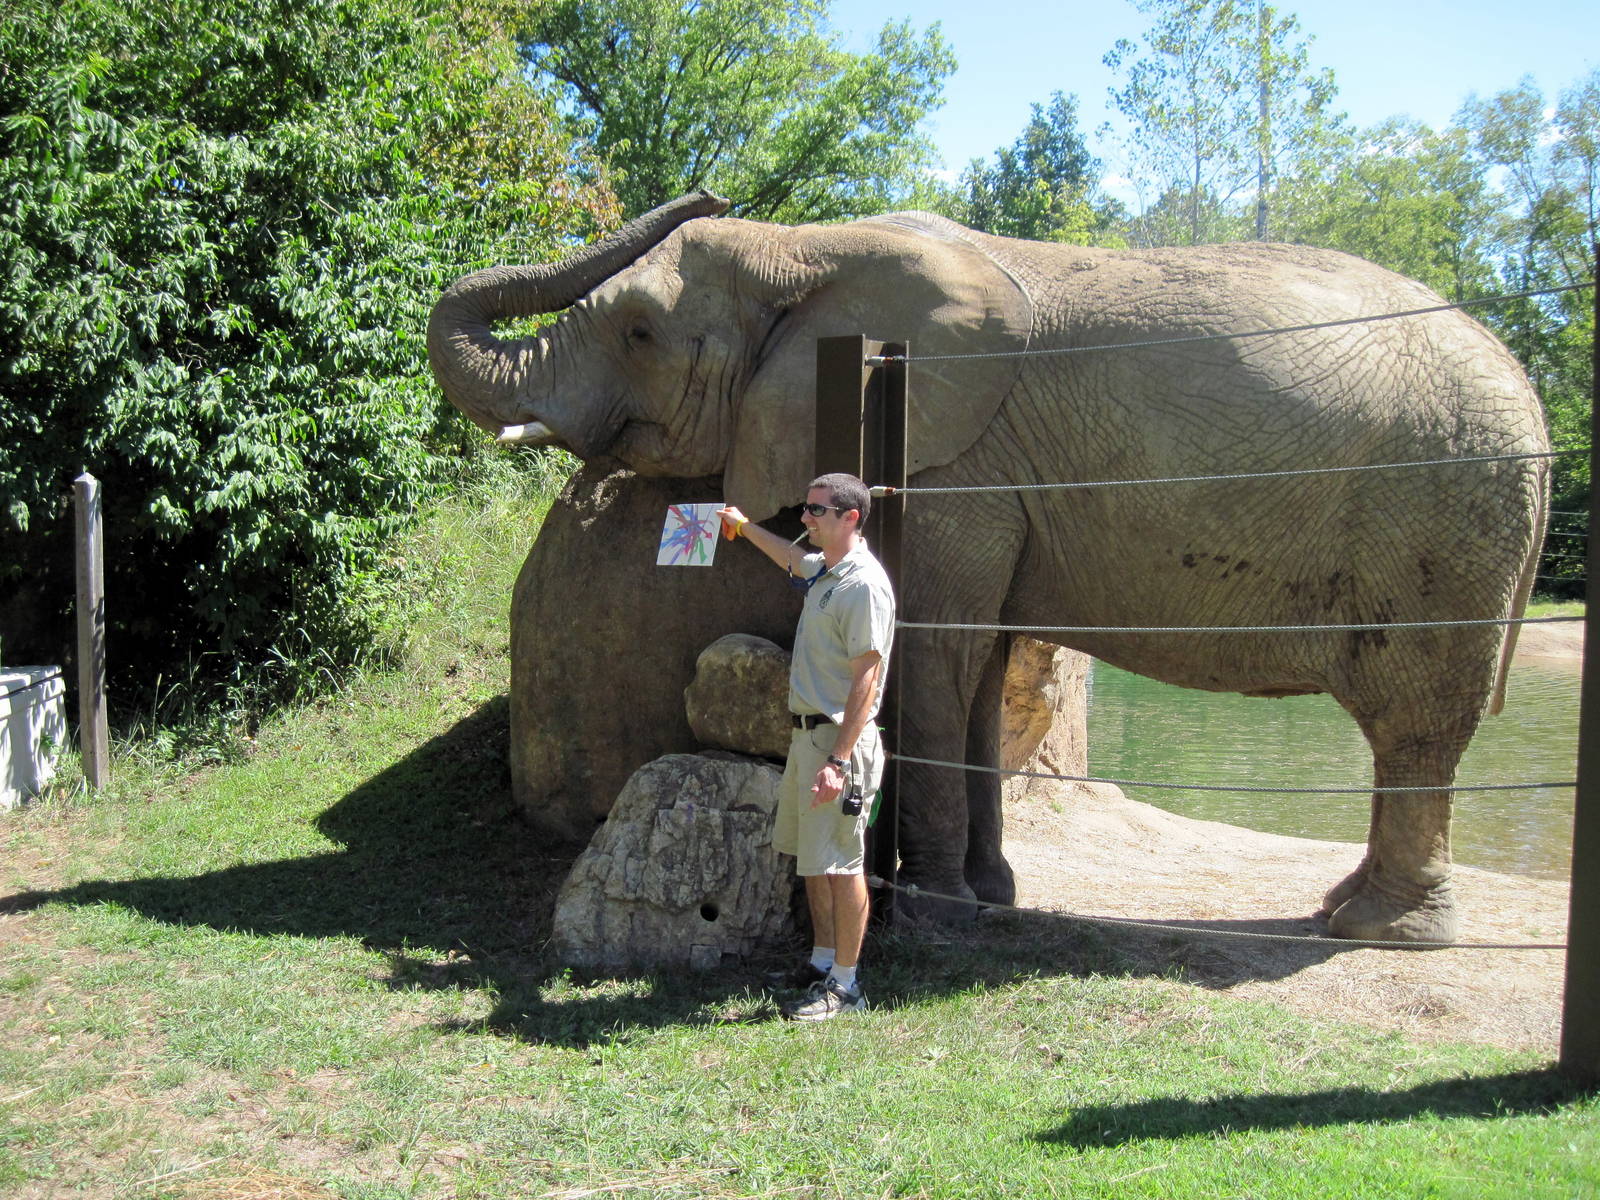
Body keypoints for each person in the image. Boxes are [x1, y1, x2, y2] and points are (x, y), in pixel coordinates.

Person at [717, 473, 895, 1021]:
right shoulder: (829, 573)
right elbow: (793, 562)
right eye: (806, 509)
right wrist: (744, 529)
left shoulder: (864, 584)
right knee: (816, 862)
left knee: (844, 865)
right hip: (808, 739)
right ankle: (821, 964)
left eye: (816, 511)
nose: (805, 519)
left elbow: (868, 676)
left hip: (838, 745)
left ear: (850, 518)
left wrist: (839, 761)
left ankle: (847, 986)